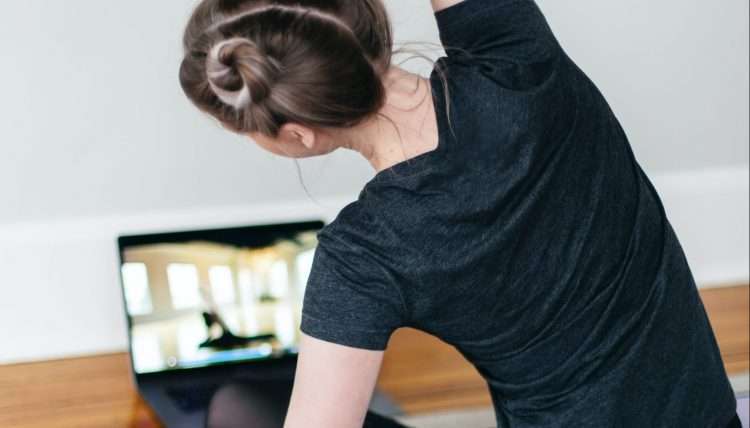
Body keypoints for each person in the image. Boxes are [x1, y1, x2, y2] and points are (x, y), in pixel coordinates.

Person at [179, 1, 741, 427]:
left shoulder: (363, 257)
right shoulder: (519, 57)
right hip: (707, 411)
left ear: (297, 134)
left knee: (238, 408)